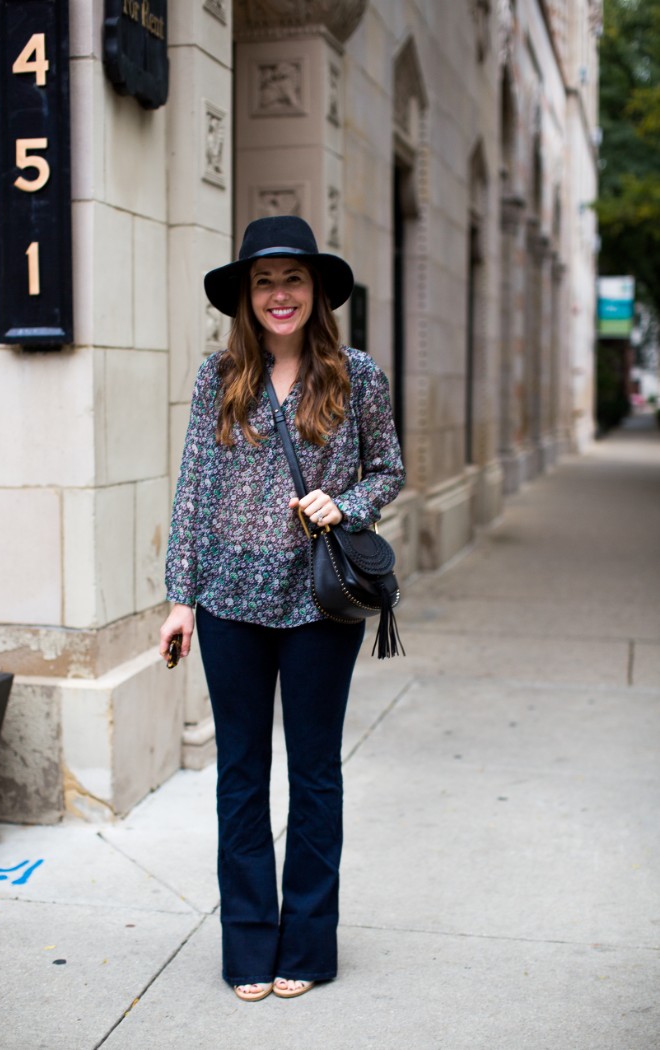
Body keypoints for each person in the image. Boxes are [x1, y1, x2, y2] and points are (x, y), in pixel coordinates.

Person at [159, 215, 405, 1002]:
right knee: (239, 774)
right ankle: (248, 944)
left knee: (315, 774)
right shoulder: (216, 378)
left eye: (291, 279)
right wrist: (179, 599)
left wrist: (346, 504)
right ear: (246, 296)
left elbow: (388, 470)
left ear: (315, 290)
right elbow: (194, 488)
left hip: (319, 605)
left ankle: (307, 942)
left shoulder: (357, 375)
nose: (278, 295)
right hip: (229, 602)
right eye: (263, 281)